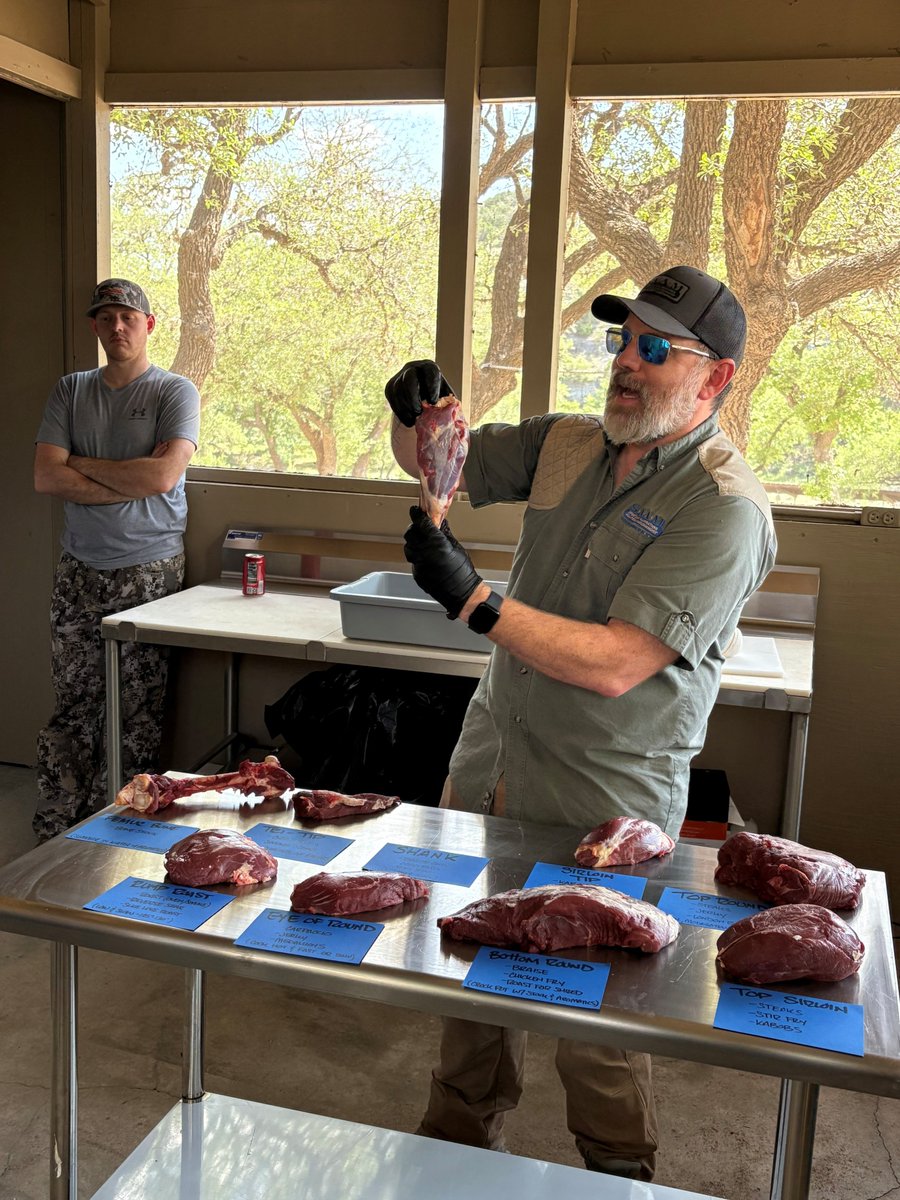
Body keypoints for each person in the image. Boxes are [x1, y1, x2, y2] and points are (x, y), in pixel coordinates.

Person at [384, 265, 776, 1180]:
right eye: (620, 342)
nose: (627, 366)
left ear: (716, 378)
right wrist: (420, 415)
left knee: (593, 1024)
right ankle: (452, 1161)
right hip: (492, 769)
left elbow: (618, 662)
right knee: (472, 981)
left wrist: (473, 602)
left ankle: (617, 1175)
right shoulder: (569, 442)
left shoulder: (724, 507)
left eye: (654, 349)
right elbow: (441, 461)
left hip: (605, 802)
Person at [32, 278, 201, 842]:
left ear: (149, 325)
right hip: (78, 569)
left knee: (136, 712)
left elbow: (162, 475)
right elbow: (45, 475)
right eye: (106, 318)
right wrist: (126, 475)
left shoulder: (174, 392)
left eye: (128, 316)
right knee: (74, 706)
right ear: (95, 327)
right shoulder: (71, 390)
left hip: (150, 572)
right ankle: (60, 829)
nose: (117, 327)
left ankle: (123, 831)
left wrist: (81, 464)